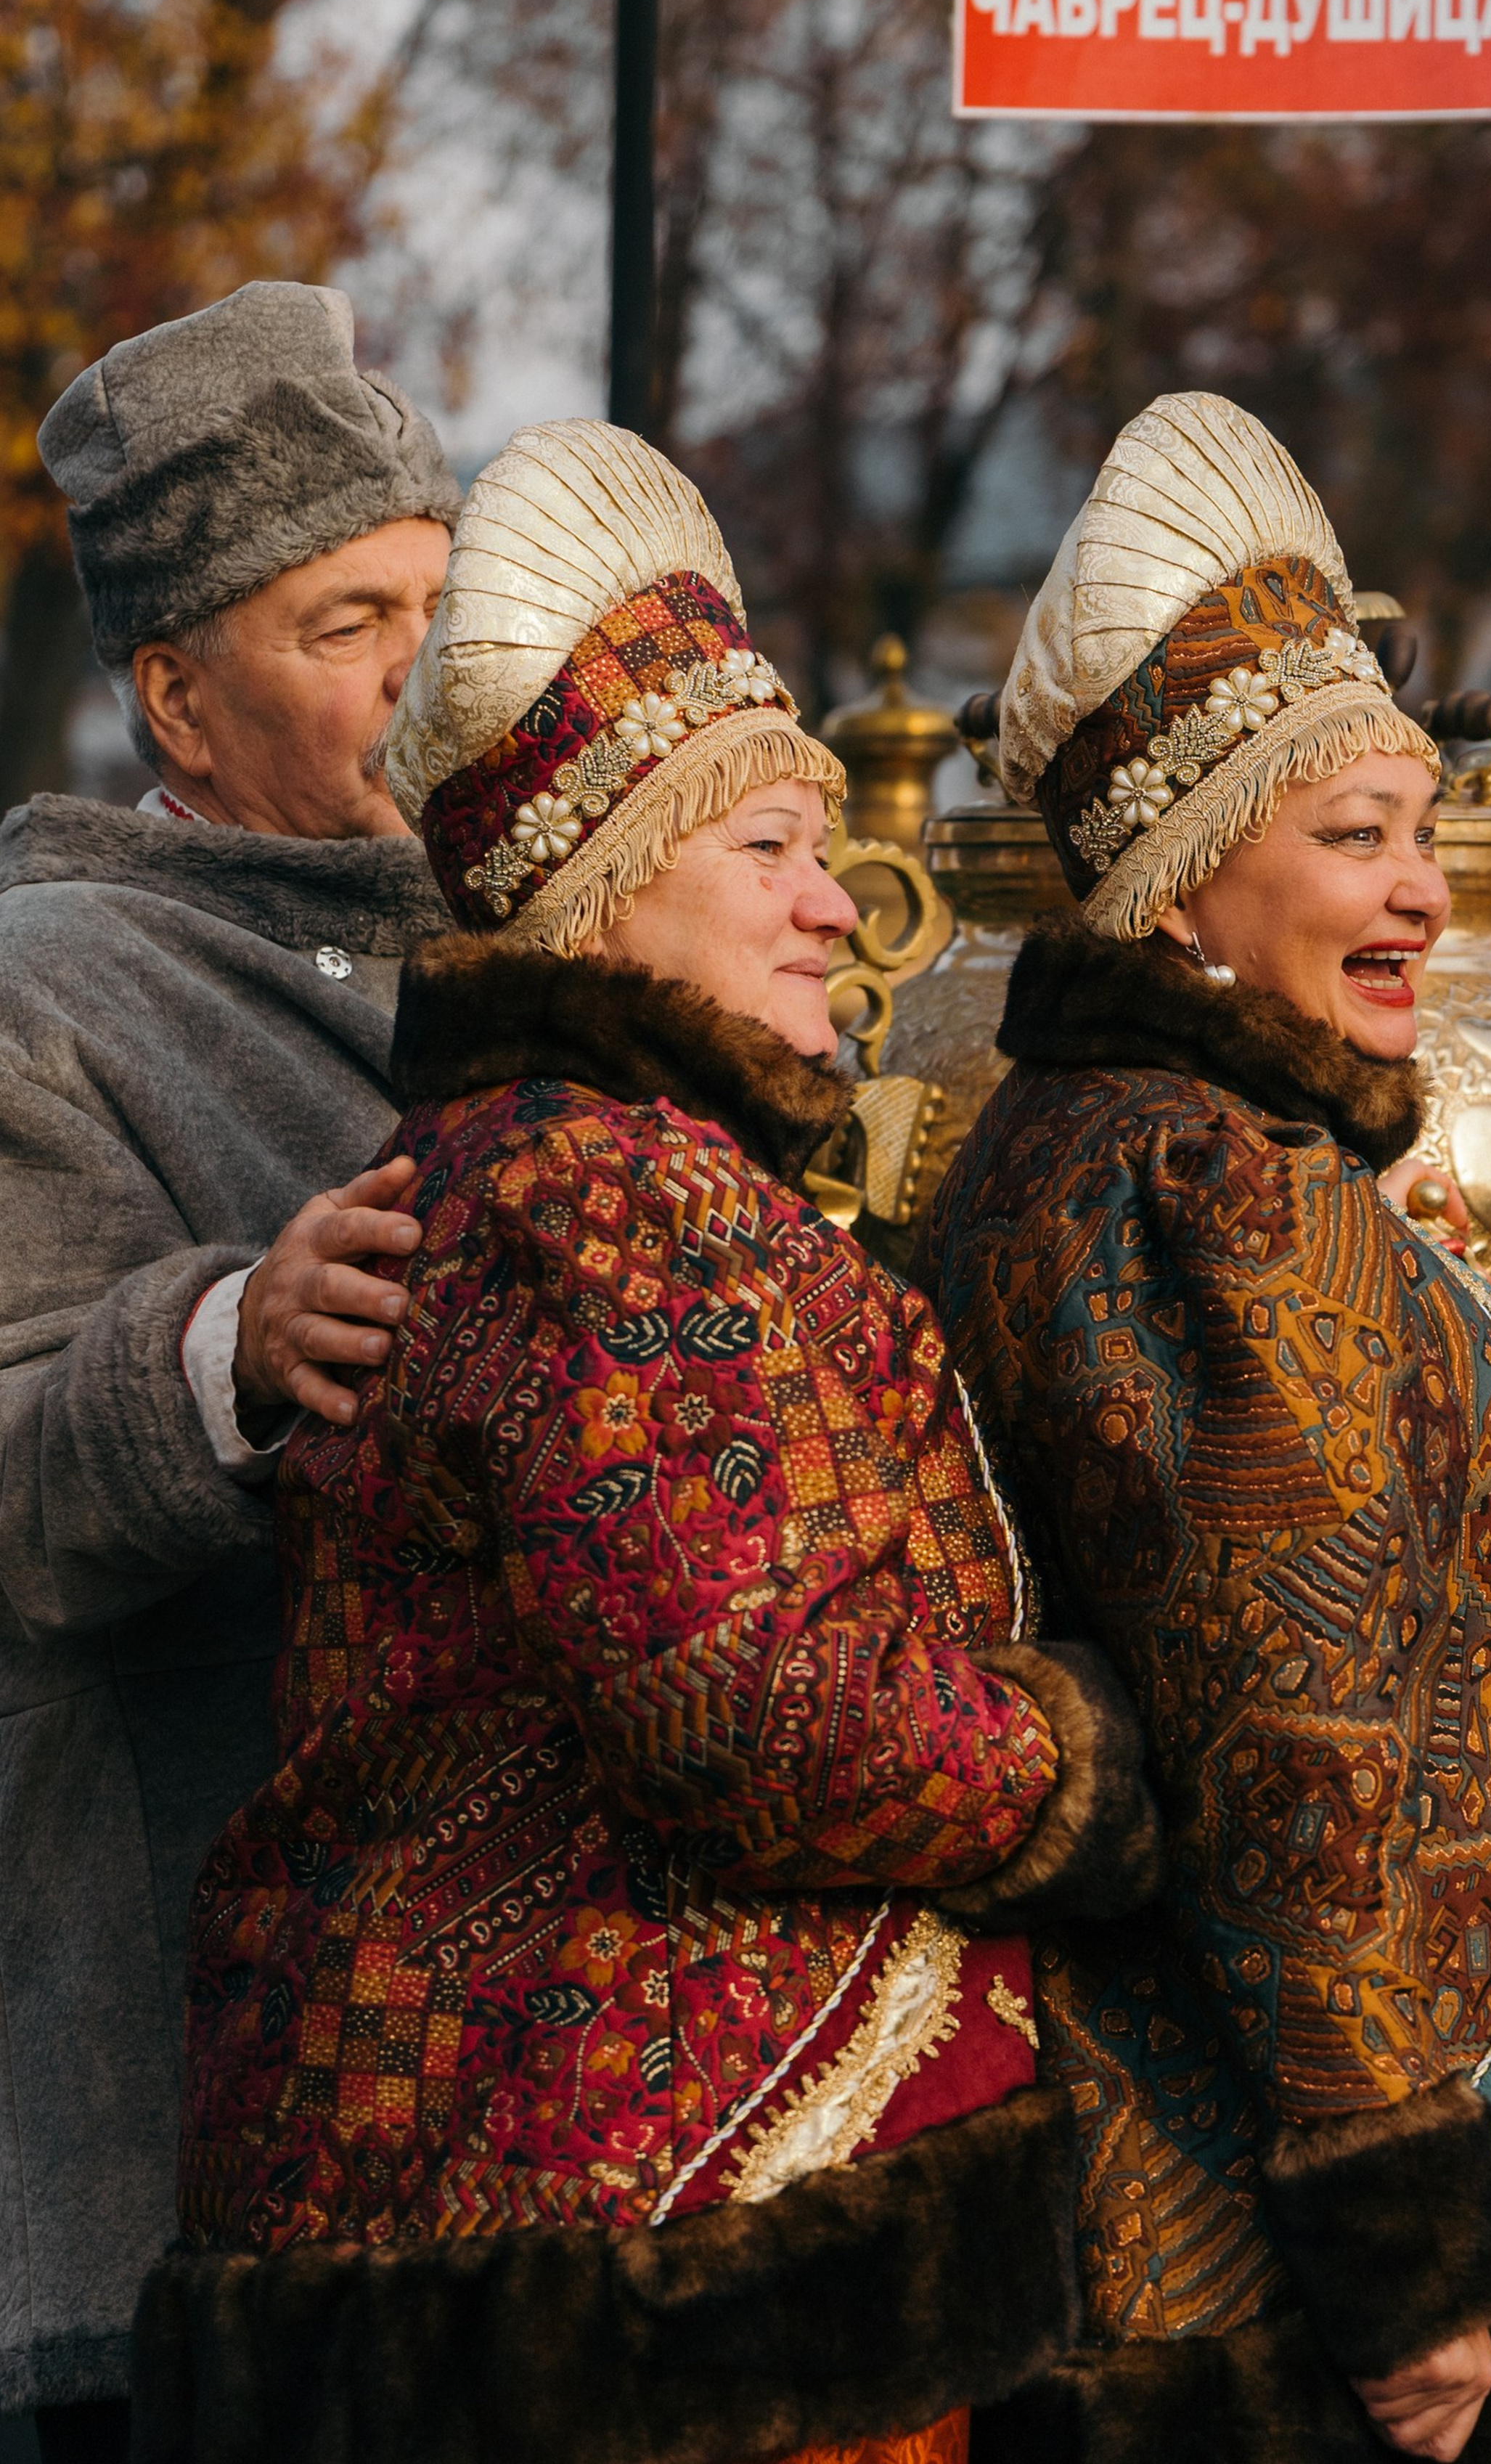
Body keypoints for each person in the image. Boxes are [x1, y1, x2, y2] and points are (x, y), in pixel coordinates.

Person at [137, 422, 1162, 2464]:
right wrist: (1098, 1761)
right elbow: (755, 1707)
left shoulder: (542, 1161)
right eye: (767, 848)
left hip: (477, 2210)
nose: (833, 903)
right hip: (640, 2240)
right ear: (603, 893)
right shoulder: (612, 1194)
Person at [924, 394, 1491, 2464]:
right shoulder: (1202, 1187)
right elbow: (1290, 1734)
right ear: (1183, 884)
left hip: (1328, 2166)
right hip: (1403, 2238)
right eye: (1356, 836)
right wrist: (1408, 2259)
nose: (1425, 893)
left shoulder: (1121, 1141)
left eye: (1422, 832)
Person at [0, 282, 463, 2461]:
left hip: (512, 2086)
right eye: (351, 623)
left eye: (441, 609)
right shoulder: (43, 983)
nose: (425, 675)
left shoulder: (547, 929)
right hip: (177, 2093)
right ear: (176, 695)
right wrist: (230, 1346)